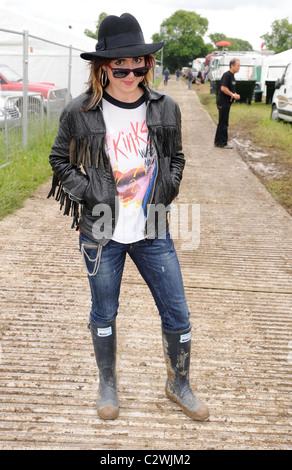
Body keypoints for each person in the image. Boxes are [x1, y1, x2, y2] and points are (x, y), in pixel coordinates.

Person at [48, 13, 209, 423]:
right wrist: (89, 192)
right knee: (104, 312)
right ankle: (107, 383)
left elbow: (176, 157)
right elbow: (58, 160)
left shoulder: (165, 107)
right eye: (121, 66)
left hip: (152, 227)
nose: (132, 73)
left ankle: (180, 383)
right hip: (101, 230)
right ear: (103, 68)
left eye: (141, 65)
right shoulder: (79, 111)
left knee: (178, 313)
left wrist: (169, 187)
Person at [214, 59, 241, 149]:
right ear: (232, 66)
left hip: (227, 102)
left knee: (223, 122)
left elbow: (230, 89)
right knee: (223, 122)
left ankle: (218, 142)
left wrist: (234, 94)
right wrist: (233, 94)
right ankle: (223, 143)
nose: (239, 67)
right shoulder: (227, 75)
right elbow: (223, 88)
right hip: (223, 102)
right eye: (238, 65)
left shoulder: (232, 76)